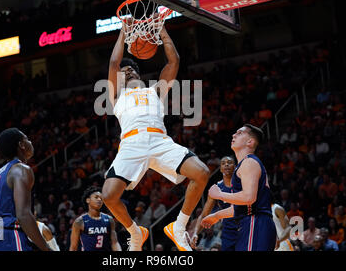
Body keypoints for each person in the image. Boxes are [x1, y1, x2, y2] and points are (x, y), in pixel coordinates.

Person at [102, 24, 210, 251]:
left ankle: (179, 227)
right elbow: (113, 63)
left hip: (160, 141)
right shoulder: (116, 94)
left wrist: (161, 30)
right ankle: (135, 231)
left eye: (132, 69)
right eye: (124, 70)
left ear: (139, 74)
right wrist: (124, 30)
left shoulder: (156, 91)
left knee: (201, 173)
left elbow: (174, 62)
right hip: (131, 144)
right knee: (109, 196)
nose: (128, 70)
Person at [203, 124, 277, 251]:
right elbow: (242, 207)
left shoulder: (249, 162)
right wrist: (217, 216)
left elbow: (249, 198)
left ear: (250, 141)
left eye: (240, 133)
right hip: (253, 223)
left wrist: (220, 195)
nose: (234, 135)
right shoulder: (245, 164)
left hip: (255, 223)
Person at [0, 128, 51, 251]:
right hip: (11, 237)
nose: (30, 142)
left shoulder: (0, 173)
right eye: (27, 139)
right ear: (21, 145)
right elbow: (23, 215)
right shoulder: (21, 169)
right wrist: (47, 249)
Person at [190, 156, 238, 251]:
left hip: (245, 227)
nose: (226, 164)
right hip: (228, 231)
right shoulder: (216, 189)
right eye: (223, 163)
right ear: (220, 169)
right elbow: (204, 214)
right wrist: (195, 233)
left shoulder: (243, 184)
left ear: (235, 167)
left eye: (229, 162)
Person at [69, 186, 121, 251]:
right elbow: (73, 247)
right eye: (96, 197)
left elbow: (115, 243)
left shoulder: (109, 220)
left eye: (101, 198)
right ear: (88, 200)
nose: (99, 199)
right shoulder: (79, 221)